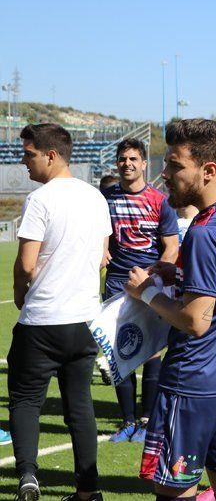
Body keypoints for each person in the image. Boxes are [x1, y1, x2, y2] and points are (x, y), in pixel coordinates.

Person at [126, 119, 216, 501]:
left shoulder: (204, 231)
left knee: (173, 490)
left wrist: (147, 293)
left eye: (174, 165)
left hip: (195, 382)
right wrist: (180, 272)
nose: (164, 174)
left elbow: (195, 321)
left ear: (208, 170)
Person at [10, 123, 111, 501]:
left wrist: (21, 292)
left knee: (25, 401)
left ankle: (28, 478)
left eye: (29, 154)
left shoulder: (41, 200)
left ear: (51, 155)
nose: (24, 162)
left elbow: (26, 263)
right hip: (84, 319)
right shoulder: (96, 198)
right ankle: (88, 492)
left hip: (43, 319)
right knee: (80, 406)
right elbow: (103, 258)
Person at [102, 138, 179, 444]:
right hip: (116, 283)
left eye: (133, 158)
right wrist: (101, 251)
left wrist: (152, 275)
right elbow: (100, 234)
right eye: (122, 159)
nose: (127, 163)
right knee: (118, 352)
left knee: (150, 352)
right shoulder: (105, 198)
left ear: (145, 163)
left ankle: (147, 418)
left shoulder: (160, 201)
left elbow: (172, 246)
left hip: (149, 284)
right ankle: (127, 420)